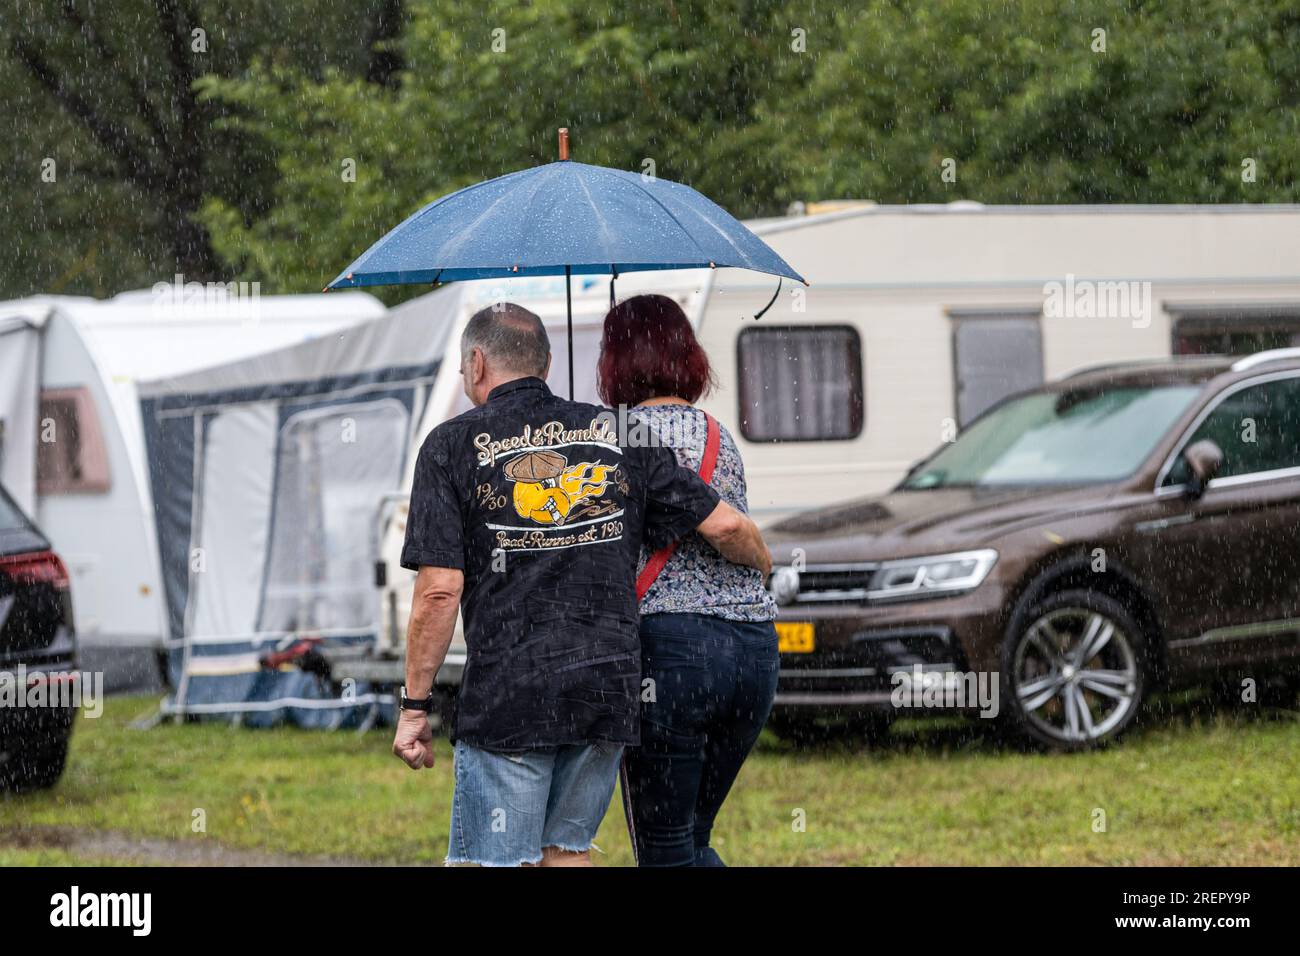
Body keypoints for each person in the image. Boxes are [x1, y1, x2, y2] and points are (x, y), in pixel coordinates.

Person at [391, 302, 771, 867]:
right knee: (565, 852)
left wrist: (415, 705)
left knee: (498, 859)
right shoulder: (620, 431)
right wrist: (763, 564)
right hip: (606, 692)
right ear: (546, 364)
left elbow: (440, 590)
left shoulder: (450, 447)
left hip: (510, 695)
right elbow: (725, 525)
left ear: (475, 363)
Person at [598, 294, 779, 867]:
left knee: (665, 847)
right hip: (753, 653)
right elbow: (736, 532)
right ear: (688, 355)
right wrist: (765, 563)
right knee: (693, 839)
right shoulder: (718, 435)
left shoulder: (610, 438)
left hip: (669, 651)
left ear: (614, 361)